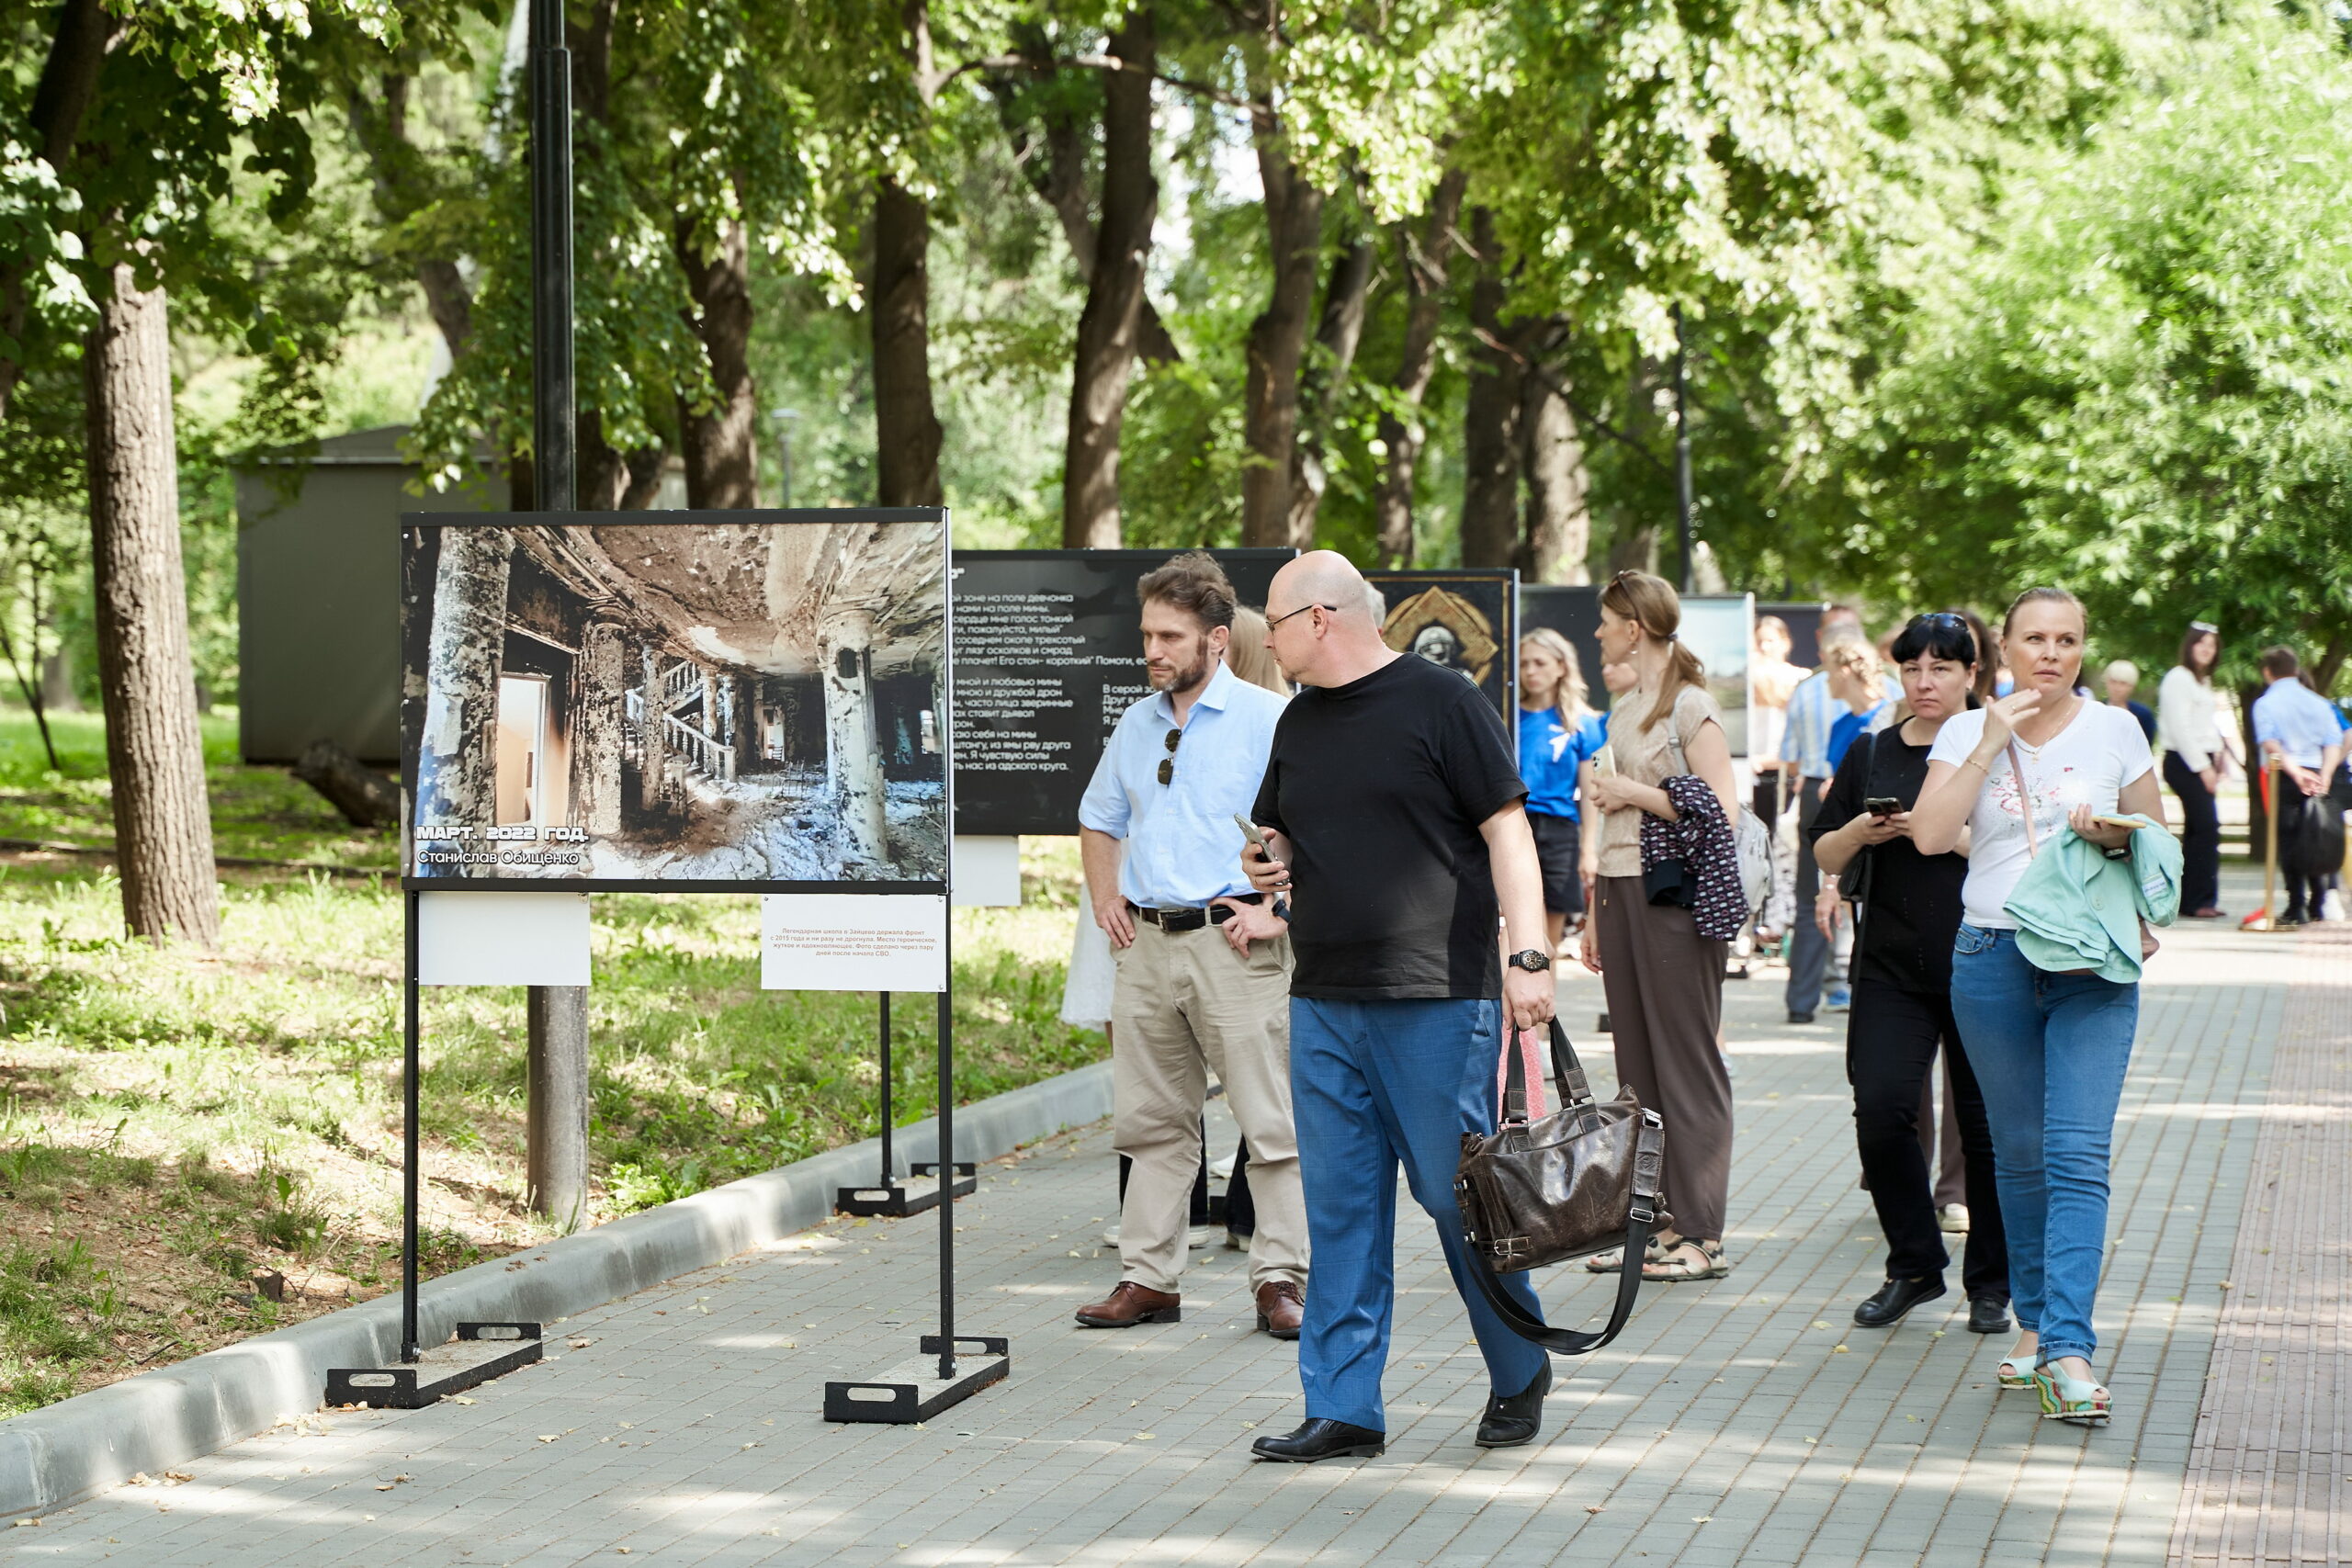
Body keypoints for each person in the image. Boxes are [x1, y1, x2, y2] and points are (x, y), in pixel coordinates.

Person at [1239, 551, 1560, 1463]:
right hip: (1324, 998)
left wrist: (1527, 957)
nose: (1265, 637)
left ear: (1321, 618)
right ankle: (1344, 1408)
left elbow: (1508, 833)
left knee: (1457, 1200)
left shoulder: (1443, 702)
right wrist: (1270, 858)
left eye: (1273, 619)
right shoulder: (1297, 723)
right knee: (1338, 1209)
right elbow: (1285, 834)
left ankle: (1518, 1366)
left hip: (1435, 996)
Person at [1911, 586, 2170, 1427]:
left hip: (2092, 960)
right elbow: (1926, 833)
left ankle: (2068, 1348)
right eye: (2035, 638)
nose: (2051, 653)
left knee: (2075, 1153)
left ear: (2083, 650)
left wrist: (2115, 834)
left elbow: (2157, 833)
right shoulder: (1962, 729)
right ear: (2006, 649)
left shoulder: (2116, 729)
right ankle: (2031, 1322)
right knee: (2018, 1154)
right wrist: (1991, 739)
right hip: (1991, 955)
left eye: (2067, 639)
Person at [1073, 553, 1307, 1337]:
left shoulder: (1269, 720)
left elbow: (1314, 828)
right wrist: (1109, 895)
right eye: (1146, 634)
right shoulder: (1136, 723)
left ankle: (1280, 1279)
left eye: (1170, 635)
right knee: (1152, 1123)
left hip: (1233, 942)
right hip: (1147, 944)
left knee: (1269, 1123)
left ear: (1218, 640)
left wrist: (1279, 909)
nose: (1153, 650)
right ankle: (1149, 1278)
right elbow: (1099, 815)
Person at [1810, 613, 2008, 1336]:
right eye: (1913, 669)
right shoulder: (1872, 751)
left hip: (1984, 957)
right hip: (1890, 963)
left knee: (1985, 1130)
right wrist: (1863, 829)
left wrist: (1943, 834)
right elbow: (1826, 854)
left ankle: (1993, 1282)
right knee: (1882, 1111)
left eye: (1943, 669)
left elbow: (2026, 852)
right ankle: (1916, 1264)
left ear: (1971, 675)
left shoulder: (2002, 745)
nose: (1926, 683)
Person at [1577, 570, 1741, 1283]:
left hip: (1673, 900)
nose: (1599, 631)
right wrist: (1591, 911)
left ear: (1634, 627)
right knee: (1636, 1071)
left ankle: (1703, 1231)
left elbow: (1722, 810)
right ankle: (1654, 1224)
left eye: (1607, 620)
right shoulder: (1625, 706)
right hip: (1617, 890)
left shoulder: (1691, 706)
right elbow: (1612, 812)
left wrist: (1630, 790)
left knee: (1686, 1064)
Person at [1782, 615, 1901, 1023]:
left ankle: (1825, 994)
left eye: (1831, 671)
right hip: (1837, 817)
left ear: (1846, 668)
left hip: (1876, 819)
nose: (1826, 680)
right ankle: (1815, 996)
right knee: (1820, 896)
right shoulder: (1841, 720)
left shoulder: (1890, 714)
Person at [1517, 628, 1609, 948]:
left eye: (1539, 663)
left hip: (1560, 832)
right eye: (1524, 663)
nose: (1530, 671)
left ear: (1560, 666)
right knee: (1519, 930)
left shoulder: (1583, 724)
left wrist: (1589, 851)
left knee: (1548, 940)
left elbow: (1590, 793)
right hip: (1514, 824)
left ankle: (1546, 998)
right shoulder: (1506, 715)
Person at [2251, 645, 2347, 929]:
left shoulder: (2265, 704)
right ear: (2295, 670)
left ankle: (2296, 906)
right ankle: (2317, 902)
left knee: (2288, 839)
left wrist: (2295, 772)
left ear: (2267, 672)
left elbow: (2271, 744)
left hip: (2284, 775)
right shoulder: (2319, 703)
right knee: (2316, 835)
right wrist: (2326, 774)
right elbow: (2335, 741)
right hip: (2318, 772)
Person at [2157, 621, 2233, 919]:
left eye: (2212, 645)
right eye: (2201, 643)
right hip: (2185, 762)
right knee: (2206, 829)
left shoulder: (2201, 682)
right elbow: (2181, 728)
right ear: (2189, 646)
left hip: (2202, 761)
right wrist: (2203, 768)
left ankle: (2190, 900)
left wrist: (2219, 759)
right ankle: (2199, 900)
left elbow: (2204, 726)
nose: (2206, 649)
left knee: (2197, 831)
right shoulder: (2179, 678)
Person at [2102, 660, 2156, 743]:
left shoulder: (2143, 715)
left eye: (2123, 683)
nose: (2117, 688)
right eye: (2113, 682)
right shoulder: (2094, 709)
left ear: (2132, 686)